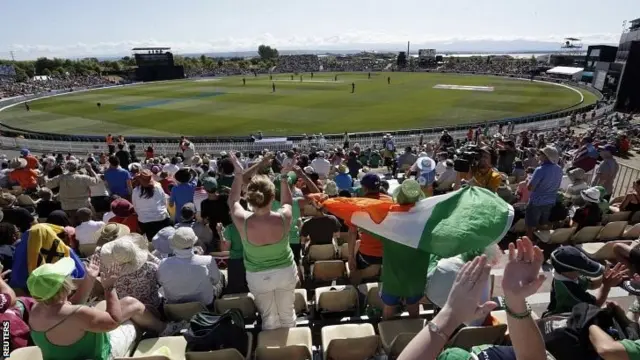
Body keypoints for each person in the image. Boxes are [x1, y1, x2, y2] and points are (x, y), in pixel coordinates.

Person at [400, 237, 548, 360]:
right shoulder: (481, 278)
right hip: (477, 325)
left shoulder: (448, 267)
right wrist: (515, 301)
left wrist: (450, 315)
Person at [27, 256, 181, 360]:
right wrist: (109, 288)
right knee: (133, 310)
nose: (70, 277)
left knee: (121, 303)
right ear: (63, 287)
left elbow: (70, 306)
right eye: (66, 277)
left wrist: (90, 278)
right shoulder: (77, 314)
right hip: (101, 355)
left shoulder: (37, 309)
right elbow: (114, 321)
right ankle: (164, 329)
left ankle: (160, 327)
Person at [228, 152, 298, 330]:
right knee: (288, 315)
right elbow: (288, 202)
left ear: (250, 199)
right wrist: (283, 177)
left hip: (259, 276)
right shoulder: (284, 217)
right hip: (285, 272)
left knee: (269, 318)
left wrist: (238, 173)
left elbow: (233, 200)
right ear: (272, 198)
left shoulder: (243, 221)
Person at [378, 180, 431, 319]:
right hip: (415, 278)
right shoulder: (426, 223)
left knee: (388, 309)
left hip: (392, 277)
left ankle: (386, 338)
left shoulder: (388, 221)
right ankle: (415, 336)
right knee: (414, 310)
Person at [544, 245, 627, 316]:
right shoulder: (569, 290)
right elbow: (595, 305)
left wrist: (606, 277)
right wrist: (606, 286)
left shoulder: (567, 276)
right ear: (566, 271)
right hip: (563, 317)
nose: (581, 272)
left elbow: (591, 284)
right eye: (579, 270)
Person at [157, 227, 223, 306]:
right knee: (221, 275)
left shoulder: (163, 263)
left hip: (175, 306)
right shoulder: (208, 260)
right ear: (193, 243)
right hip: (205, 305)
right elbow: (215, 281)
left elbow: (160, 281)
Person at [348, 173, 392, 284]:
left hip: (368, 255)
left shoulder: (358, 205)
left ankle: (356, 289)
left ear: (364, 188)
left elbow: (352, 233)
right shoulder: (391, 201)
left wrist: (350, 258)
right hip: (389, 253)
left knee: (354, 270)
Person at [99, 234, 163, 311]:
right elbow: (164, 269)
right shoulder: (150, 267)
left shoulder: (110, 276)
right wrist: (150, 255)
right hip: (154, 306)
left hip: (127, 310)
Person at [525, 146, 563, 240]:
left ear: (546, 156)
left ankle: (529, 244)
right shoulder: (559, 169)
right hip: (550, 201)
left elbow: (530, 188)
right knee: (543, 224)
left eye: (541, 154)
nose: (539, 155)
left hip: (536, 202)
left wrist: (528, 181)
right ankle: (540, 242)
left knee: (530, 226)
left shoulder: (540, 170)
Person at [131, 169, 170, 240]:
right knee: (165, 238)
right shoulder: (158, 187)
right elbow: (164, 202)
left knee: (152, 239)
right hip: (161, 217)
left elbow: (135, 207)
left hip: (144, 221)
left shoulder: (135, 191)